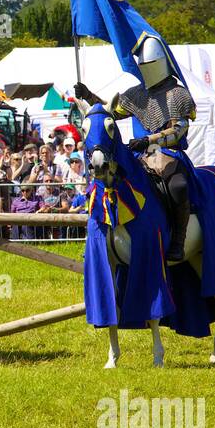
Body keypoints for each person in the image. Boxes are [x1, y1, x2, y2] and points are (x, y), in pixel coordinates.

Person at [75, 33, 197, 262]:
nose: (145, 68)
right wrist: (88, 95)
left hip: (169, 155)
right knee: (106, 183)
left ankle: (179, 241)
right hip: (138, 155)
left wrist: (150, 140)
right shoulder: (136, 94)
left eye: (149, 64)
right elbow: (107, 112)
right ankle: (101, 239)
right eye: (142, 64)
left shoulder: (178, 94)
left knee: (178, 186)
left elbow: (178, 130)